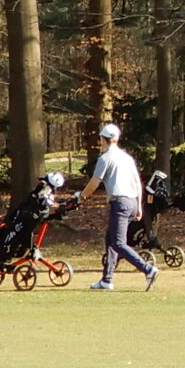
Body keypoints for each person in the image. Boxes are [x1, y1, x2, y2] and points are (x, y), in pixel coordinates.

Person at [76, 123, 157, 291]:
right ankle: (107, 280)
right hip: (132, 202)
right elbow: (137, 182)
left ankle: (148, 269)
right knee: (111, 239)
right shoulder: (127, 158)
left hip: (120, 203)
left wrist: (81, 197)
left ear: (102, 139)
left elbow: (94, 182)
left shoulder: (105, 158)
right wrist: (139, 207)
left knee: (119, 243)